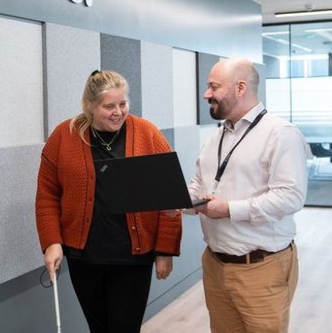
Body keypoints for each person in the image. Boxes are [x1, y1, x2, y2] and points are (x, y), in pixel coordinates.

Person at [36, 70, 182, 333]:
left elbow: (169, 197)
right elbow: (47, 196)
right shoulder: (63, 135)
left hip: (133, 256)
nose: (118, 112)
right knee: (98, 328)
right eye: (109, 106)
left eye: (123, 104)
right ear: (90, 106)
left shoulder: (146, 133)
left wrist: (165, 251)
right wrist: (52, 242)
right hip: (84, 257)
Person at [190, 58, 308, 333]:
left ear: (240, 87)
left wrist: (229, 209)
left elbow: (290, 197)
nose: (206, 94)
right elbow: (199, 186)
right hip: (215, 264)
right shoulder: (215, 137)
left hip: (261, 268)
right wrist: (176, 200)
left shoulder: (280, 134)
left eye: (213, 87)